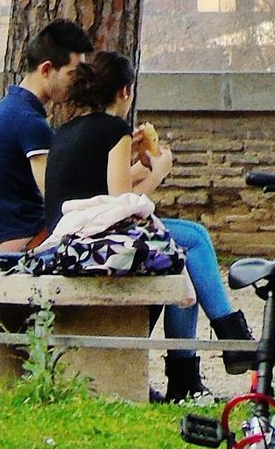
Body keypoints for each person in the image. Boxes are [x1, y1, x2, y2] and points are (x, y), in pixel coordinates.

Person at [43, 50, 256, 402]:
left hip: (68, 236)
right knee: (194, 240)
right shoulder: (115, 128)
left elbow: (96, 186)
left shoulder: (67, 131)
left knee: (180, 261)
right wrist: (159, 169)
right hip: (91, 240)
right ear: (126, 91)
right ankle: (229, 342)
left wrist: (136, 158)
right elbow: (120, 202)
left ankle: (197, 371)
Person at [0, 20, 93, 253]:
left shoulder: (10, 108)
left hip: (10, 236)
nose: (78, 82)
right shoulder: (29, 122)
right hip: (25, 242)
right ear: (46, 69)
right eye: (71, 74)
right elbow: (58, 197)